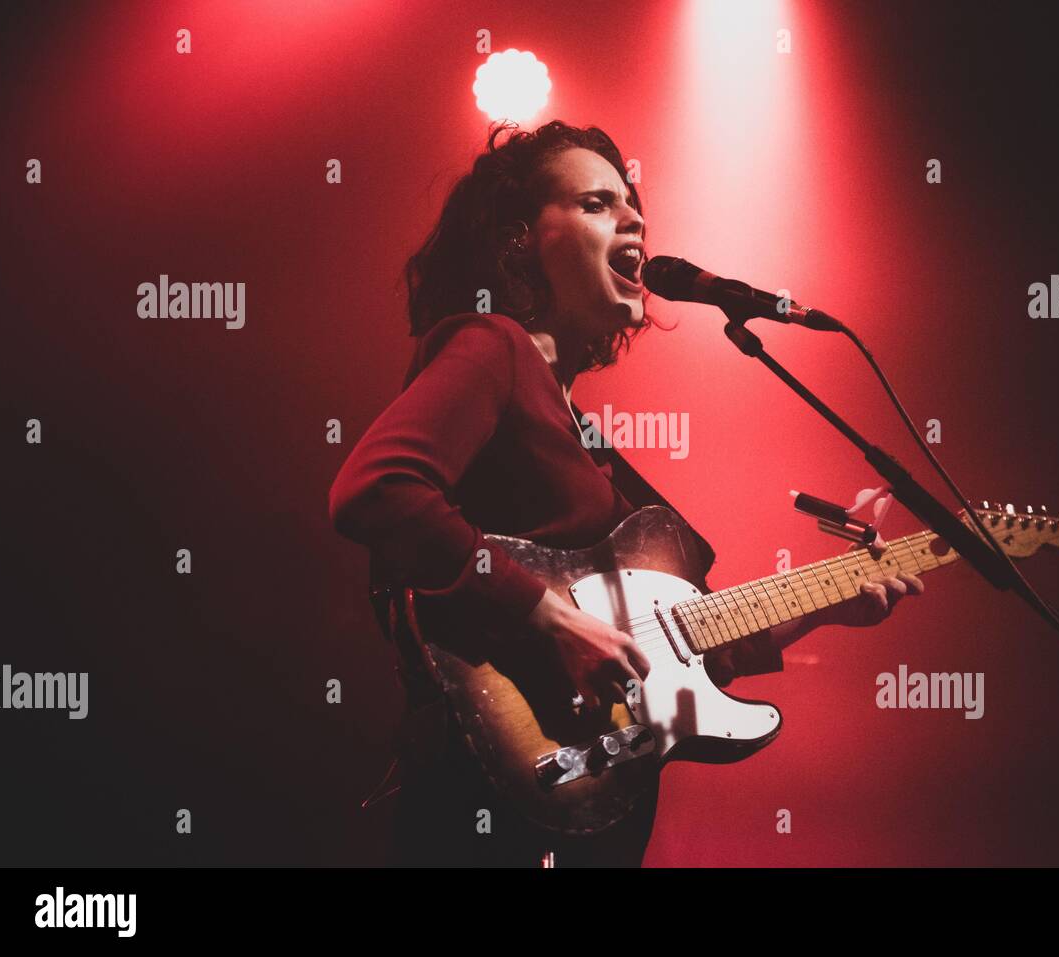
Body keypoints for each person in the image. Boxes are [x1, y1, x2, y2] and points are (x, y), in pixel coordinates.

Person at [328, 119, 924, 867]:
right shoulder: (493, 344)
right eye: (596, 203)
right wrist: (546, 615)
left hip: (585, 802)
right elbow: (377, 487)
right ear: (521, 241)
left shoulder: (580, 427)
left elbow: (671, 646)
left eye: (633, 205)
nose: (634, 218)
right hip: (486, 798)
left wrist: (826, 607)